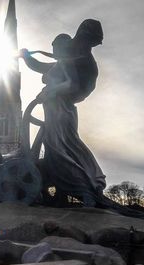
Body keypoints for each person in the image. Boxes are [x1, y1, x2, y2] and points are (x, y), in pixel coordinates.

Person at [19, 19, 106, 207]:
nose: (54, 51)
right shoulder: (65, 62)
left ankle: (84, 187)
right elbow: (39, 66)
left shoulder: (71, 60)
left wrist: (50, 91)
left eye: (55, 46)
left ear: (60, 45)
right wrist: (26, 57)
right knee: (65, 146)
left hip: (60, 110)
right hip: (59, 110)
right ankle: (68, 188)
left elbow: (73, 84)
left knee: (61, 148)